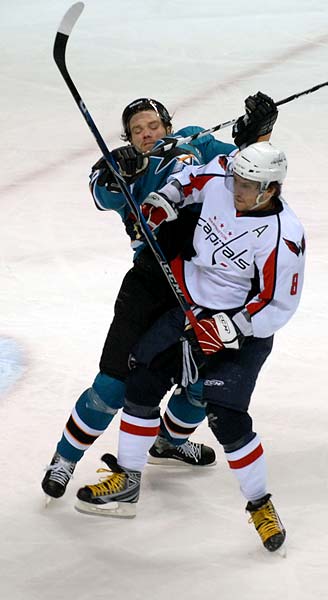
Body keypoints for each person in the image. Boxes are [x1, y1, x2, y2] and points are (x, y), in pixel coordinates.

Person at [42, 94, 279, 500]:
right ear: (129, 139)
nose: (146, 134)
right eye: (137, 130)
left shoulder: (196, 143)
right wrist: (116, 169)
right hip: (150, 285)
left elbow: (248, 167)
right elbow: (101, 192)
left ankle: (168, 442)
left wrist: (260, 130)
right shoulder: (130, 167)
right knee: (113, 386)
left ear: (168, 126)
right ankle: (64, 459)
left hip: (202, 285)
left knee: (203, 386)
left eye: (152, 126)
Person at [74, 141, 306, 554]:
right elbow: (189, 180)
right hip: (188, 306)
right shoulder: (224, 174)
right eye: (237, 178)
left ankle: (260, 504)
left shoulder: (284, 237)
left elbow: (278, 304)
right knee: (142, 383)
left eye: (249, 184)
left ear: (270, 189)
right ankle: (127, 480)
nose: (237, 187)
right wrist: (164, 200)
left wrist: (231, 327)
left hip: (241, 329)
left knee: (226, 417)